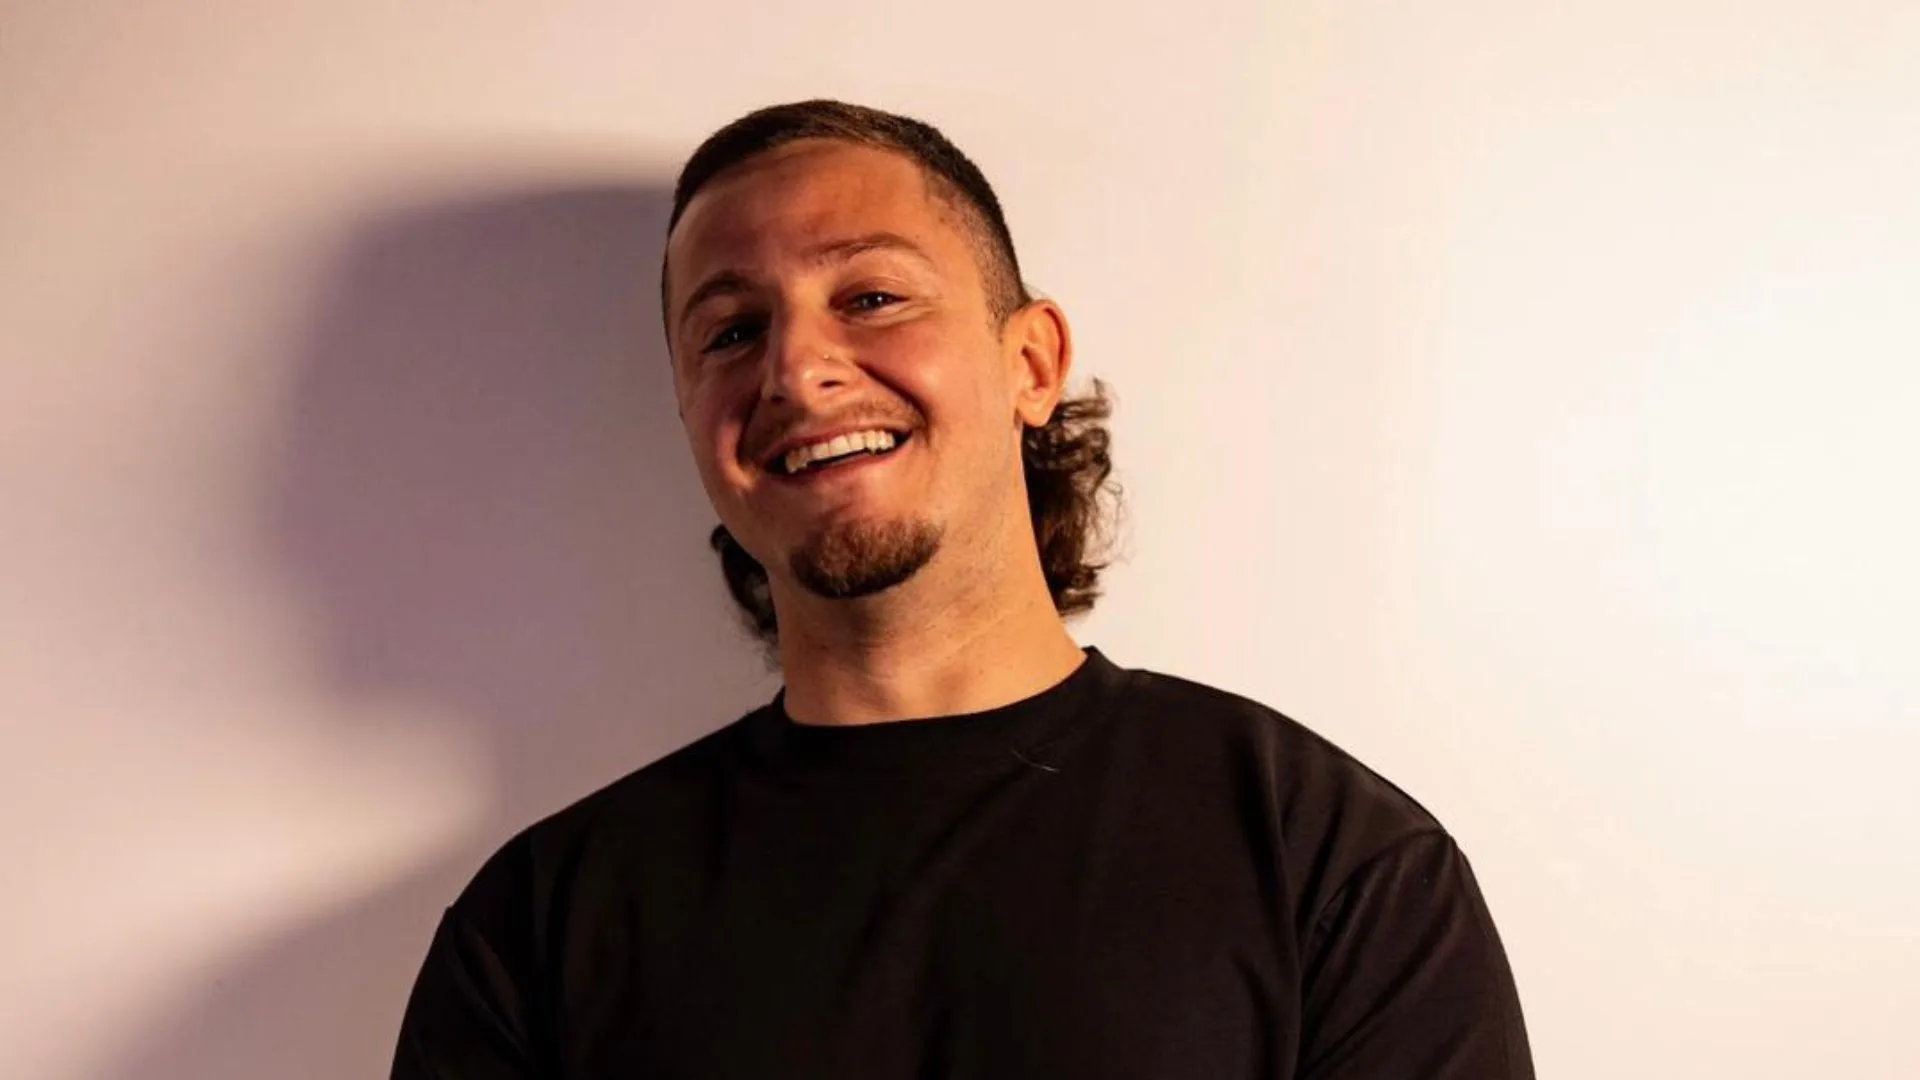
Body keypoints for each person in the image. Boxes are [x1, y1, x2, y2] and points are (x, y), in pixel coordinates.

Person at [390, 99, 1534, 1079]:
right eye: (732, 331)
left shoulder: (1329, 863)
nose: (797, 369)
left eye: (871, 298)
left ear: (1030, 364)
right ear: (693, 418)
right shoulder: (535, 930)